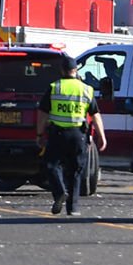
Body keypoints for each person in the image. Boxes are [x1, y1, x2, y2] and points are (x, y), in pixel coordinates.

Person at [37, 62, 107, 216]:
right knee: (75, 171)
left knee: (51, 165)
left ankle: (60, 191)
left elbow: (43, 113)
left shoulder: (55, 87)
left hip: (58, 134)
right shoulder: (86, 89)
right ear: (75, 70)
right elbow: (95, 114)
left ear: (62, 70)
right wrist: (102, 136)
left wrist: (40, 133)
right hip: (78, 136)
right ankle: (73, 208)